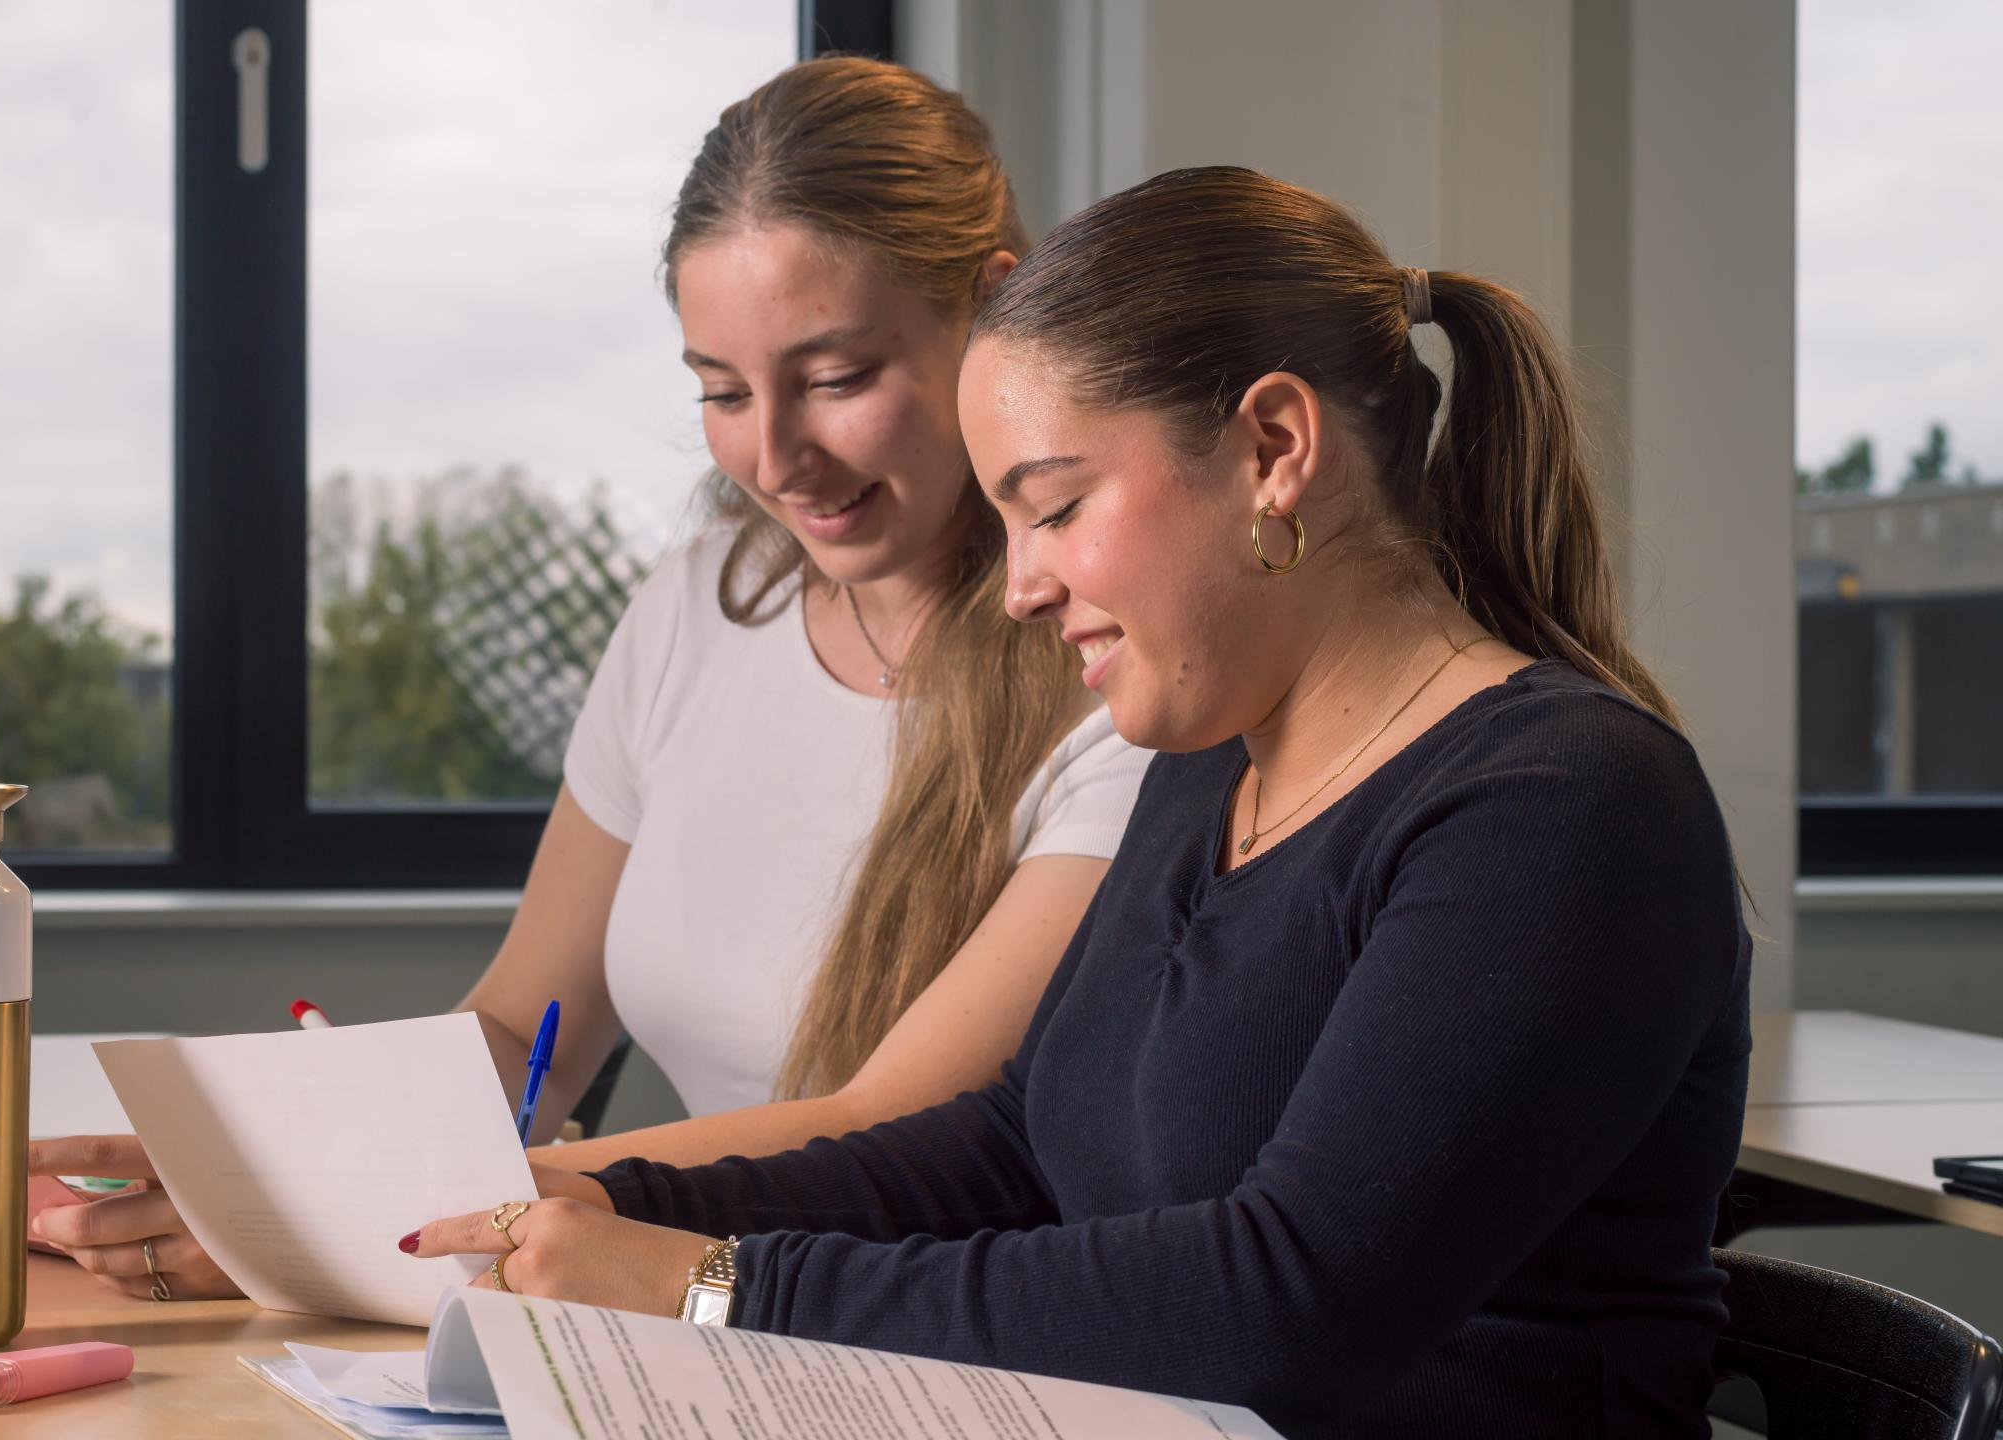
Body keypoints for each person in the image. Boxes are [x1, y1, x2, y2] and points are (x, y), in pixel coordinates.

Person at [403, 166, 1754, 1439]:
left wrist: (714, 1285)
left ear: (1274, 448)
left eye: (1053, 509)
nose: (1019, 588)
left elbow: (1285, 1304)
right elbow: (1012, 1151)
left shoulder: (1566, 806)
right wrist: (610, 1195)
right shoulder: (1209, 769)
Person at [29, 58, 1148, 1302]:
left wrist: (397, 1209)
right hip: (679, 1307)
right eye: (721, 392)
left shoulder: (1120, 670)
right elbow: (520, 1030)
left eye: (835, 380)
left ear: (994, 315)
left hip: (912, 1326)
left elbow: (885, 1131)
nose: (775, 459)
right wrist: (271, 1162)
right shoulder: (706, 601)